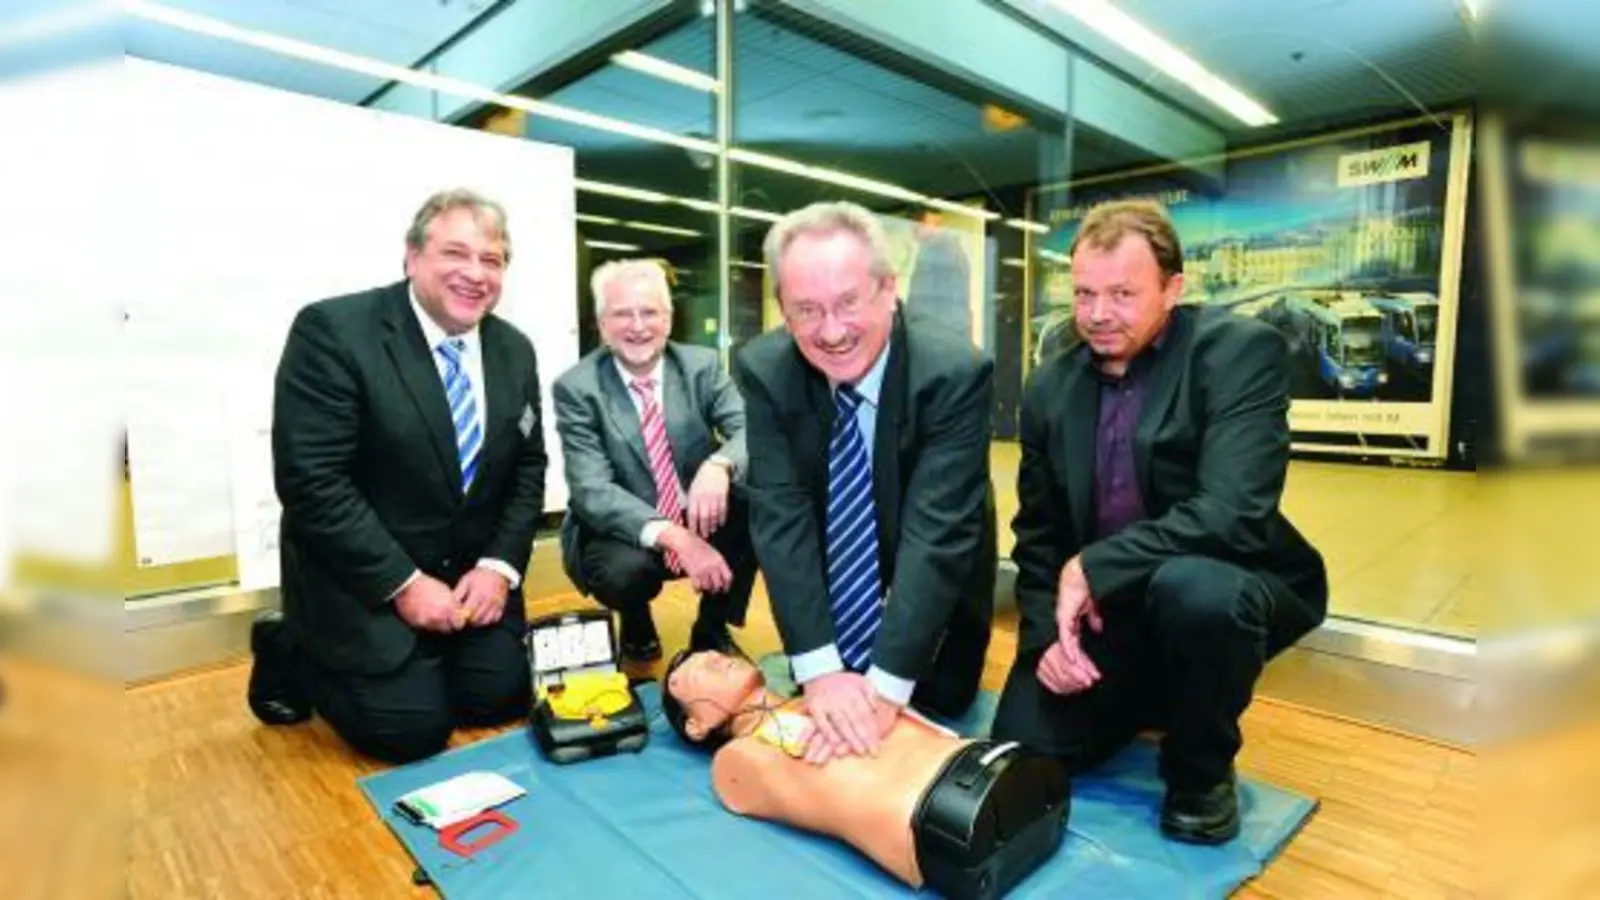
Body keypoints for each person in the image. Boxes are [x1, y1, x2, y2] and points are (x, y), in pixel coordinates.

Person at [990, 198, 1329, 844]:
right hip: (1107, 609)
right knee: (1026, 747)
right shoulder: (1049, 389)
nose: (1097, 314)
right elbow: (1039, 537)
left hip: (1225, 583)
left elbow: (1234, 514)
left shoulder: (1238, 354)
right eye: (1084, 293)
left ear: (1173, 288)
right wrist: (1045, 646)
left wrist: (1093, 565)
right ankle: (1151, 692)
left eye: (1122, 293)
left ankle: (1201, 770)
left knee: (1195, 592)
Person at [247, 188, 548, 764]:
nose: (475, 273)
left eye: (493, 259)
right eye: (455, 253)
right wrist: (403, 585)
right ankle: (289, 643)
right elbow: (314, 482)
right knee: (411, 731)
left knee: (498, 698)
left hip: (466, 577)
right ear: (411, 258)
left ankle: (425, 660)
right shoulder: (333, 333)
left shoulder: (514, 349)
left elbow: (528, 468)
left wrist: (499, 568)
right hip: (366, 576)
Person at [733, 200, 997, 766]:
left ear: (888, 288)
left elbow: (937, 537)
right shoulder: (765, 370)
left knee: (940, 698)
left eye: (849, 302)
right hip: (837, 570)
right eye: (806, 310)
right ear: (781, 307)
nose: (831, 332)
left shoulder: (954, 373)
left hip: (933, 564)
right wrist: (821, 670)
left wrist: (885, 688)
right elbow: (782, 520)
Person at [661, 648, 1068, 892]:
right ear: (696, 727)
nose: (711, 658)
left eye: (710, 654)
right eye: (687, 674)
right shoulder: (737, 762)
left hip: (988, 771)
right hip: (944, 819)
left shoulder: (820, 695)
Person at [551, 259, 757, 662]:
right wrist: (679, 538)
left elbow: (753, 431)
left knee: (762, 508)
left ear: (669, 318)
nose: (638, 326)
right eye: (622, 313)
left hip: (696, 508)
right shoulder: (577, 388)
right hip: (624, 528)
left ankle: (711, 628)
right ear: (602, 323)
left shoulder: (701, 366)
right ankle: (635, 614)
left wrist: (719, 465)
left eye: (649, 312)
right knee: (624, 574)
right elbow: (592, 491)